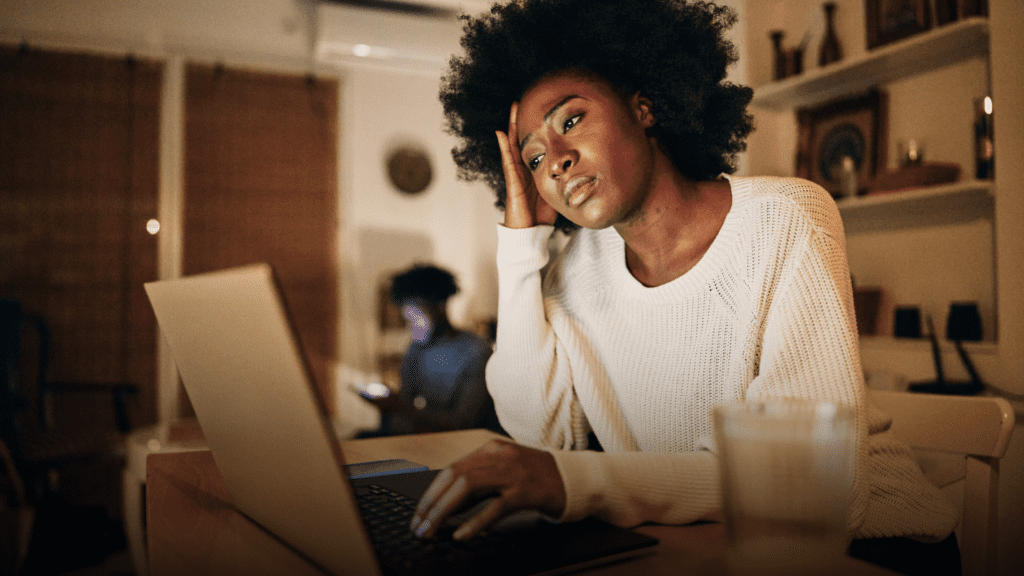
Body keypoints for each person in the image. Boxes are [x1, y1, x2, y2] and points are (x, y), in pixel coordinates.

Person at [408, 2, 960, 575]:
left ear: (643, 107)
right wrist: (521, 248)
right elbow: (542, 436)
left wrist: (581, 483)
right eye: (535, 157)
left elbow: (811, 488)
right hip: (700, 540)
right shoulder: (569, 273)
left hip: (874, 548)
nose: (558, 163)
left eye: (571, 121)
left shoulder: (787, 219)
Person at [359, 264, 504, 437]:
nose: (412, 328)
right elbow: (405, 403)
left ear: (440, 307)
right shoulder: (416, 349)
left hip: (466, 442)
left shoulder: (476, 352)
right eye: (408, 320)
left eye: (416, 318)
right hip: (425, 438)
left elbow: (465, 423)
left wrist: (399, 407)